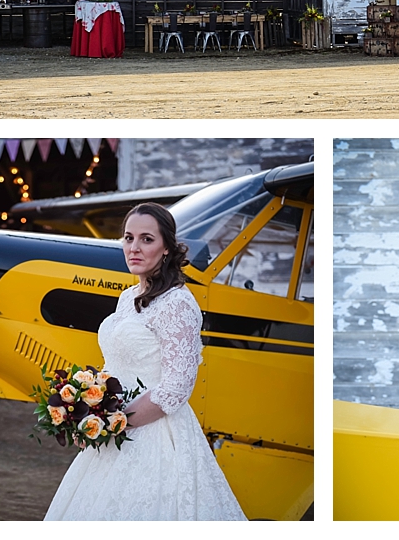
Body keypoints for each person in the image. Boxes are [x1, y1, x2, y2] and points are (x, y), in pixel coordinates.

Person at [44, 202, 247, 520]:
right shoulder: (127, 297)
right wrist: (86, 408)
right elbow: (115, 364)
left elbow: (176, 388)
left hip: (156, 435)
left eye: (146, 239)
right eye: (128, 238)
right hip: (113, 431)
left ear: (167, 247)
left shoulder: (178, 303)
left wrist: (114, 422)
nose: (134, 248)